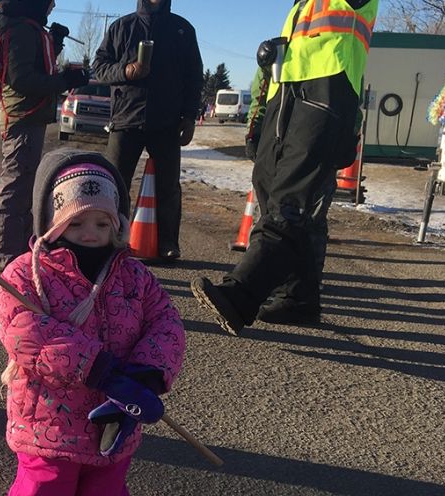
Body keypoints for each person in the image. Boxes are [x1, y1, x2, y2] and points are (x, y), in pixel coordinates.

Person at [0, 148, 185, 496]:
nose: (90, 233)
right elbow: (24, 329)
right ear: (52, 221)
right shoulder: (25, 274)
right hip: (48, 424)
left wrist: (147, 375)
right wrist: (97, 367)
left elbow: (166, 322)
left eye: (102, 223)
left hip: (116, 421)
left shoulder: (134, 276)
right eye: (77, 222)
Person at [191, 0, 379, 334]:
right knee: (271, 187)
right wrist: (261, 113)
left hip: (328, 87)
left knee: (292, 199)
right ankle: (297, 297)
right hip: (287, 91)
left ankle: (242, 295)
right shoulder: (303, 5)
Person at [92, 0, 203, 262]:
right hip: (125, 120)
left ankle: (167, 243)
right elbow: (99, 66)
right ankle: (112, 240)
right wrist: (127, 71)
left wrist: (189, 117)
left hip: (167, 123)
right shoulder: (122, 27)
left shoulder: (182, 30)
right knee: (115, 184)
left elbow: (194, 76)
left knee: (168, 187)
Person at [0, 0, 90, 268]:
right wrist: (64, 82)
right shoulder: (23, 30)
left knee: (23, 188)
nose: (53, 5)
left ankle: (20, 253)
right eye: (48, 1)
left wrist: (54, 42)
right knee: (15, 188)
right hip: (23, 117)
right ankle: (8, 258)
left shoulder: (29, 29)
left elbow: (36, 66)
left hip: (28, 116)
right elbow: (22, 79)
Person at [244, 64, 340, 325]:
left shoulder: (333, 56)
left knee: (304, 220)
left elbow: (349, 95)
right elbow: (261, 93)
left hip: (312, 145)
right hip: (278, 144)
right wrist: (254, 131)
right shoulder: (280, 54)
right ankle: (292, 292)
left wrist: (344, 140)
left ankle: (300, 294)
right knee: (281, 217)